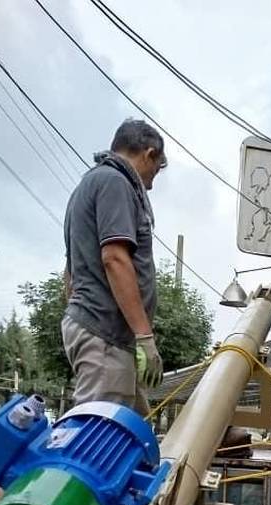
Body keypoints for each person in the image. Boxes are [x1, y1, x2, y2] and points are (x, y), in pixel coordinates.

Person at [62, 118, 167, 414]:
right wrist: (144, 336)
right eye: (157, 168)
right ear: (148, 154)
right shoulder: (115, 182)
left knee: (134, 429)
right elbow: (115, 258)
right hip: (105, 336)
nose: (152, 182)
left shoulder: (88, 185)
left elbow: (70, 273)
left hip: (105, 334)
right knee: (102, 433)